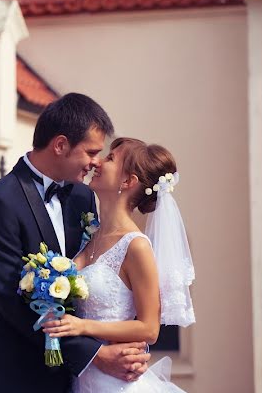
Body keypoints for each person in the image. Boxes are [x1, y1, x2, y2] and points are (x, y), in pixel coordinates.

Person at [0, 93, 150, 392]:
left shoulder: (82, 197)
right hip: (17, 372)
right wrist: (93, 355)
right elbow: (11, 300)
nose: (96, 163)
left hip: (78, 380)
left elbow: (99, 278)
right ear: (60, 145)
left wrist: (127, 346)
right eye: (92, 152)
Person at [41, 137, 195, 392]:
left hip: (117, 383)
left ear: (128, 181)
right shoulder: (89, 236)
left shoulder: (136, 246)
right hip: (82, 377)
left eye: (111, 158)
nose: (98, 162)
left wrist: (82, 326)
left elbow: (149, 328)